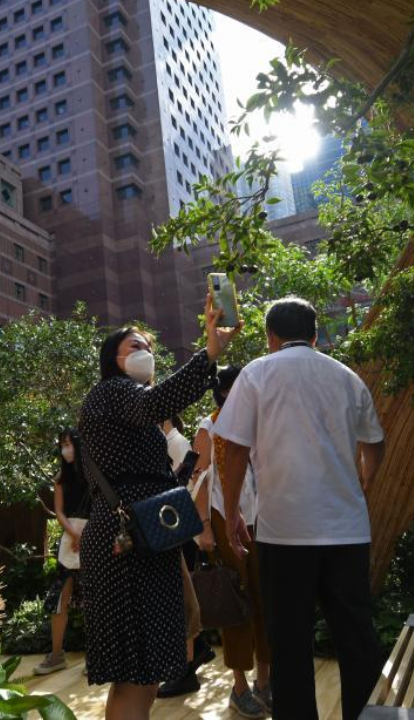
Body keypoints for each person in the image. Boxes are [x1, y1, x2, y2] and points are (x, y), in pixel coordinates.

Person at [215, 297, 386, 720]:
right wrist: (364, 482)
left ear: (270, 336)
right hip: (346, 530)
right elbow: (375, 444)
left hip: (284, 533)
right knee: (357, 640)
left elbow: (234, 450)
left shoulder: (257, 373)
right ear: (314, 335)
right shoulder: (346, 376)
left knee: (289, 644)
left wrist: (232, 512)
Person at [79, 294, 240, 720]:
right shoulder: (113, 392)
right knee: (138, 672)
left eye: (149, 346)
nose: (146, 351)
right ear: (112, 357)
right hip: (129, 542)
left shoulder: (120, 401)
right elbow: (155, 403)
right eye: (135, 345)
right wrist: (209, 353)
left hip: (138, 537)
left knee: (141, 673)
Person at [191, 365, 271, 718]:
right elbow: (198, 480)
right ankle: (239, 688)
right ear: (224, 391)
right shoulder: (209, 426)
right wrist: (205, 527)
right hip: (225, 518)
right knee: (236, 600)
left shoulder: (257, 424)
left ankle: (265, 683)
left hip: (261, 519)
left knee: (265, 599)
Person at [157, 414, 217, 700]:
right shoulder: (168, 442)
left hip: (181, 529)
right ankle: (197, 651)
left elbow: (188, 486)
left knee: (183, 595)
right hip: (177, 528)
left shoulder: (177, 443)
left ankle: (187, 665)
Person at [34, 429, 91, 675]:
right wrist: (74, 534)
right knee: (60, 598)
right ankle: (56, 654)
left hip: (93, 535)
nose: (65, 448)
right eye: (62, 444)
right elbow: (59, 511)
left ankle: (96, 656)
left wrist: (86, 535)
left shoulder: (94, 474)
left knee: (94, 598)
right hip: (69, 539)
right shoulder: (60, 478)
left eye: (69, 443)